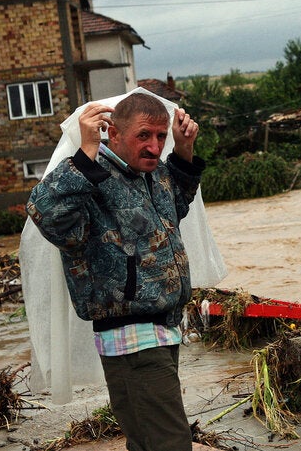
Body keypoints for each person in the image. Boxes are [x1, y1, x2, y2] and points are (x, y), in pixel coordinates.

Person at [27, 92, 204, 451]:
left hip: (162, 329)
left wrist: (183, 151)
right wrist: (86, 151)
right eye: (144, 136)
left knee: (149, 441)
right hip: (132, 335)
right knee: (170, 443)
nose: (155, 147)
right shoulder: (90, 178)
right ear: (113, 134)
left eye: (160, 136)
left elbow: (176, 206)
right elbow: (47, 214)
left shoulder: (152, 175)